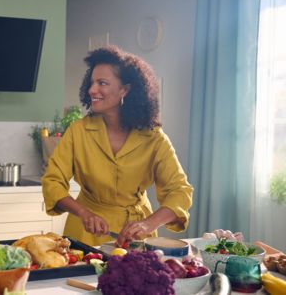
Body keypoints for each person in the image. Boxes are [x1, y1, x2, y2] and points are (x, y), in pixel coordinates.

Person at [42, 45, 193, 247]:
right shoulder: (78, 131)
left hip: (137, 237)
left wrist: (149, 224)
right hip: (84, 235)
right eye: (92, 82)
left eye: (102, 83)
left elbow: (179, 191)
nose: (92, 89)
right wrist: (83, 213)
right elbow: (53, 182)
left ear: (125, 89)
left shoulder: (154, 138)